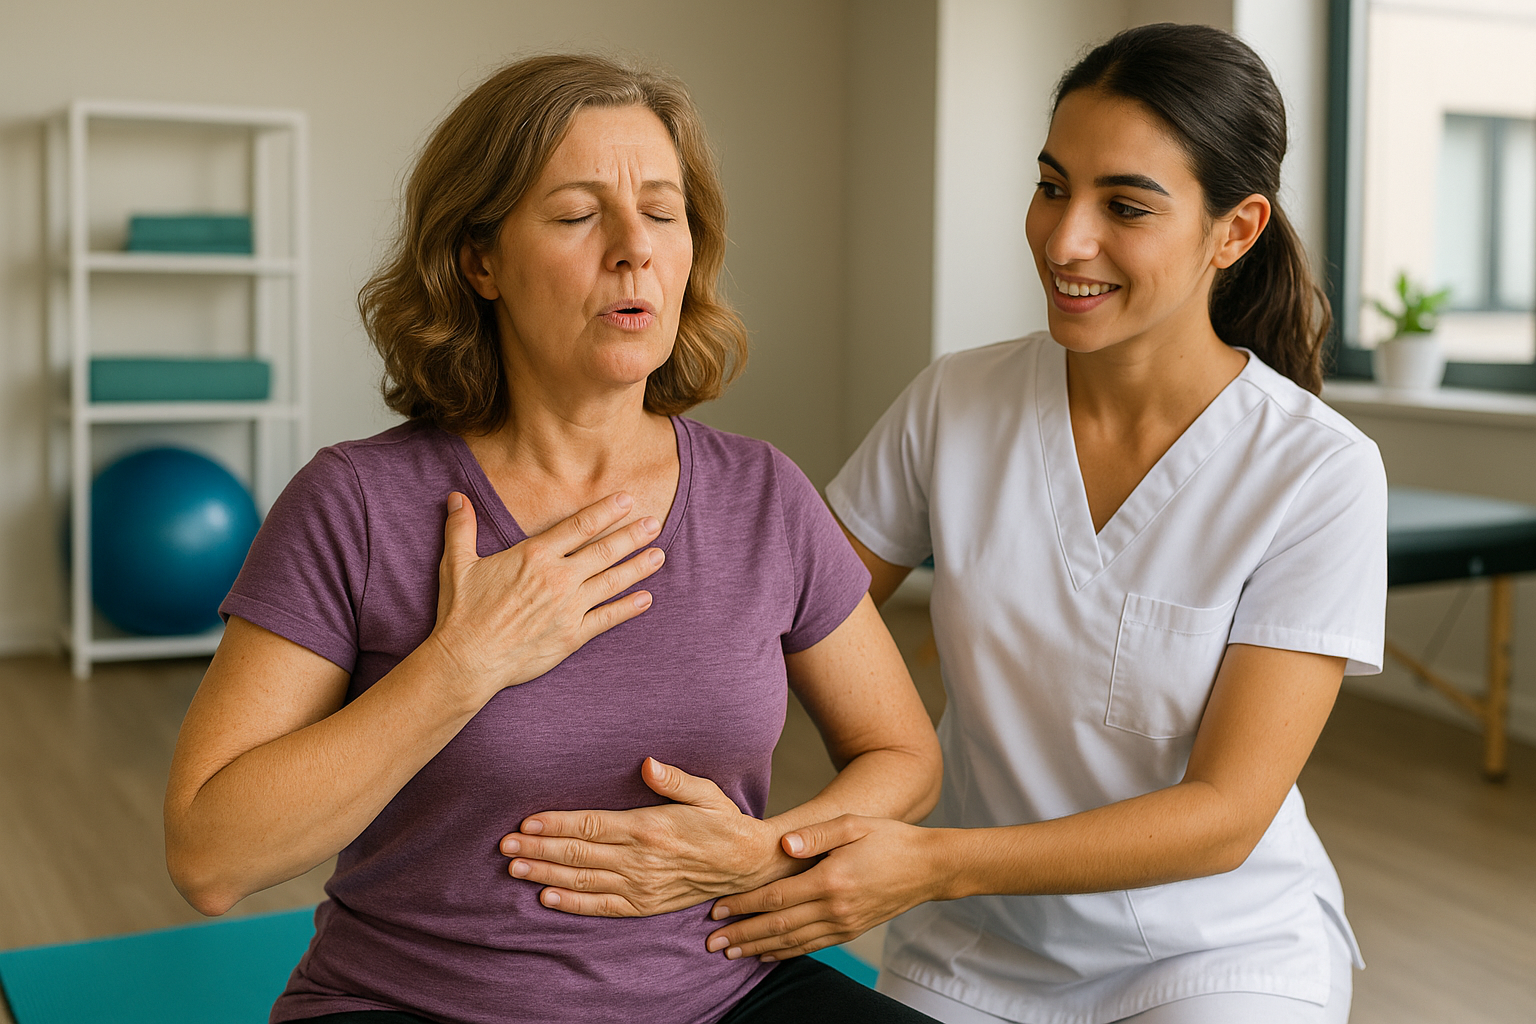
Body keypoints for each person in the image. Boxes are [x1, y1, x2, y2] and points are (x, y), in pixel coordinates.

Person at [514, 24, 1386, 1024]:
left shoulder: (1319, 472)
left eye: (1125, 206)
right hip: (980, 948)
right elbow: (767, 615)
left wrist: (921, 860)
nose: (1066, 241)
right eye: (1053, 185)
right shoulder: (959, 402)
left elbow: (1225, 814)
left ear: (1235, 232)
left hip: (1207, 947)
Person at [162, 53, 943, 1024]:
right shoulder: (357, 501)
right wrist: (463, 663)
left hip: (721, 989)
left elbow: (902, 752)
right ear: (477, 260)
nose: (634, 249)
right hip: (421, 998)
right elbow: (209, 855)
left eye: (662, 213)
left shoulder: (763, 494)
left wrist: (768, 846)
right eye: (577, 215)